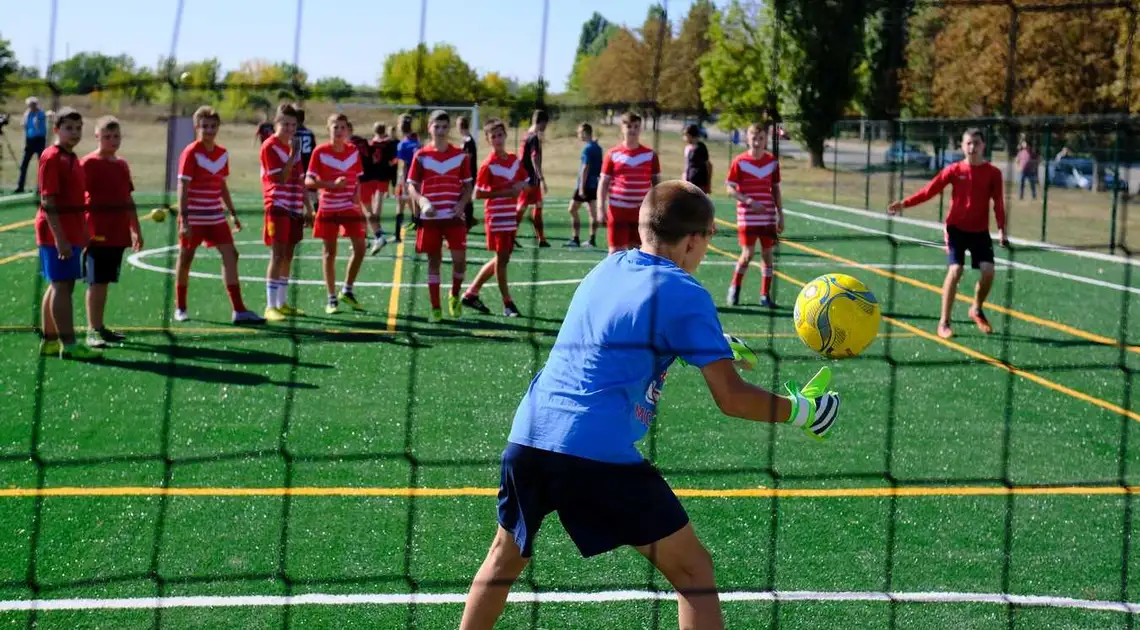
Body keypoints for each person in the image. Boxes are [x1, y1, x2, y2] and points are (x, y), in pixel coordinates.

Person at [457, 180, 842, 630]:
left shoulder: (610, 266)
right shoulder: (686, 292)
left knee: (503, 560)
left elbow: (620, 332)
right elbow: (732, 398)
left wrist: (710, 344)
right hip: (594, 453)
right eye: (710, 237)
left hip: (530, 437)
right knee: (694, 572)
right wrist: (804, 411)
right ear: (694, 239)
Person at [888, 128, 1009, 339]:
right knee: (956, 270)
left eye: (976, 143)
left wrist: (1001, 230)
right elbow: (929, 191)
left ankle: (976, 309)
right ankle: (944, 321)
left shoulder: (993, 173)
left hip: (980, 231)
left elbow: (998, 203)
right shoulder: (953, 170)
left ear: (983, 146)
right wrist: (904, 204)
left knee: (988, 272)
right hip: (956, 230)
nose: (972, 147)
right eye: (968, 143)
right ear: (962, 146)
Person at [173, 106, 264, 325]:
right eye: (204, 126)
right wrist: (184, 220)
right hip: (194, 217)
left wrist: (232, 213)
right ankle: (181, 307)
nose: (209, 130)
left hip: (215, 216)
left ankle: (239, 311)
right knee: (186, 259)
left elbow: (221, 184)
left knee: (231, 255)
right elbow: (182, 187)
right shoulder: (190, 152)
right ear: (197, 127)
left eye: (213, 126)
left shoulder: (223, 154)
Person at [35, 107, 100, 359]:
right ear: (56, 130)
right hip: (56, 231)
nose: (74, 133)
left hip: (70, 230)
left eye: (78, 128)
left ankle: (50, 342)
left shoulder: (71, 157)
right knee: (63, 286)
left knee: (57, 285)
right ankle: (69, 344)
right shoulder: (52, 157)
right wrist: (60, 238)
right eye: (68, 128)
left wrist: (82, 231)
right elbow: (48, 200)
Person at [80, 116, 143, 348]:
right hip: (96, 233)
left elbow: (128, 199)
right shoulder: (88, 163)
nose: (112, 140)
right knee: (96, 282)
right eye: (107, 136)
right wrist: (83, 230)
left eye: (116, 136)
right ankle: (91, 330)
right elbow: (77, 200)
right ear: (97, 137)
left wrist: (136, 229)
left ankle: (100, 326)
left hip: (117, 233)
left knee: (104, 281)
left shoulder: (121, 164)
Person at [406, 109, 473, 322]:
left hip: (454, 217)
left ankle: (454, 295)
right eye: (437, 126)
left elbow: (468, 186)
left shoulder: (461, 155)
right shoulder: (421, 155)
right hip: (430, 219)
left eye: (445, 127)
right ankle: (436, 308)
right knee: (433, 262)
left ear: (449, 129)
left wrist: (462, 204)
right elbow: (411, 186)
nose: (441, 131)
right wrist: (422, 201)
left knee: (460, 261)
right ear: (429, 128)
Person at [460, 118, 528, 318]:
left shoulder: (514, 160)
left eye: (500, 135)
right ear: (488, 140)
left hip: (509, 215)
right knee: (502, 259)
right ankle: (507, 302)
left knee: (502, 258)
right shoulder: (488, 164)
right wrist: (507, 192)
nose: (498, 139)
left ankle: (471, 293)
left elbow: (523, 182)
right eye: (493, 136)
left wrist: (520, 191)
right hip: (496, 217)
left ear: (505, 135)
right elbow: (477, 194)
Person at [306, 114, 367, 315]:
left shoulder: (353, 151)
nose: (339, 131)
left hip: (349, 208)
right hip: (329, 207)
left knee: (360, 247)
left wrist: (356, 198)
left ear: (347, 130)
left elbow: (357, 179)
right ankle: (331, 298)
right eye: (335, 127)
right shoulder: (320, 152)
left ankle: (347, 290)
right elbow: (308, 182)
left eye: (342, 127)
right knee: (330, 253)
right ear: (328, 129)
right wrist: (330, 185)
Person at [260, 103, 312, 322]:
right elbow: (279, 178)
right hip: (277, 206)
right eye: (285, 124)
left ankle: (282, 303)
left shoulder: (295, 147)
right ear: (276, 124)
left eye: (293, 125)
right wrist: (292, 155)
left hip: (294, 206)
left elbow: (299, 179)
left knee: (289, 255)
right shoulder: (269, 147)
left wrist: (309, 208)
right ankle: (270, 306)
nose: (290, 129)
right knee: (278, 254)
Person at [725, 122, 783, 308]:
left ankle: (765, 295)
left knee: (767, 255)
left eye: (760, 138)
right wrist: (749, 202)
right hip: (747, 217)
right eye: (753, 138)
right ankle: (735, 288)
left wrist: (780, 214)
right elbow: (730, 189)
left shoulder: (772, 162)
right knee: (747, 254)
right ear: (747, 139)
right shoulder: (740, 162)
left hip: (767, 218)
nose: (757, 142)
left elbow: (775, 189)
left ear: (766, 139)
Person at [598, 111, 661, 255]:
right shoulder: (612, 154)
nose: (632, 130)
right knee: (615, 253)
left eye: (636, 126)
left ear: (640, 128)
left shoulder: (650, 155)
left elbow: (657, 185)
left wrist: (657, 208)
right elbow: (603, 183)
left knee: (639, 253)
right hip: (617, 210)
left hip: (641, 211)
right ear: (622, 128)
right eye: (629, 126)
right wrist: (600, 208)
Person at [565, 123, 603, 248]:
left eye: (579, 133)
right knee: (593, 213)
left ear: (585, 133)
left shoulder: (587, 149)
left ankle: (575, 238)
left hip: (585, 184)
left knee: (572, 209)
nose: (578, 135)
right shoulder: (597, 147)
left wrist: (581, 187)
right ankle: (592, 240)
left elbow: (585, 168)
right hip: (595, 184)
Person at [516, 110, 550, 247]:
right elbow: (534, 157)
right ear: (542, 122)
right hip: (530, 179)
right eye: (545, 124)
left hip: (527, 177)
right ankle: (510, 235)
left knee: (538, 206)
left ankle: (541, 239)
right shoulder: (534, 137)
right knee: (521, 208)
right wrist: (541, 178)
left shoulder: (526, 135)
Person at [363, 122, 396, 256]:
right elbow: (392, 160)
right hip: (383, 174)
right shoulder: (388, 144)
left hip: (371, 174)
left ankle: (374, 229)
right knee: (379, 199)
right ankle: (377, 225)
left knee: (368, 203)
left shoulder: (370, 144)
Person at [393, 114, 422, 242]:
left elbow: (404, 165)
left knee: (400, 205)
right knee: (417, 207)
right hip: (418, 178)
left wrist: (404, 182)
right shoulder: (418, 143)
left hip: (407, 178)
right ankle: (421, 234)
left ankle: (397, 235)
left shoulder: (402, 144)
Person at [16, 96, 48, 193]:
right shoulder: (27, 114)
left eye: (33, 105)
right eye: (29, 105)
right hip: (29, 141)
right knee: (24, 165)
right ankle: (20, 187)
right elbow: (25, 126)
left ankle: (41, 188)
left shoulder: (41, 114)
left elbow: (41, 122)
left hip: (39, 140)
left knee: (42, 165)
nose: (31, 107)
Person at [294, 105, 317, 210]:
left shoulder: (292, 133)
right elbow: (314, 149)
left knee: (297, 190)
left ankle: (302, 213)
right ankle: (317, 210)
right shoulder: (309, 133)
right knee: (312, 190)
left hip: (296, 164)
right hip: (309, 163)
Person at [459, 116, 479, 232]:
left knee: (467, 196)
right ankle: (470, 219)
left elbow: (468, 158)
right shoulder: (465, 139)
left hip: (469, 174)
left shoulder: (469, 141)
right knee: (466, 197)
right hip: (467, 174)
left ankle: (469, 221)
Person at [681, 124, 712, 194]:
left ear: (690, 135)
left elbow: (709, 165)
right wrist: (684, 178)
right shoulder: (687, 148)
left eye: (685, 135)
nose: (684, 138)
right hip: (689, 182)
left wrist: (708, 184)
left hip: (700, 183)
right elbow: (686, 165)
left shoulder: (701, 148)